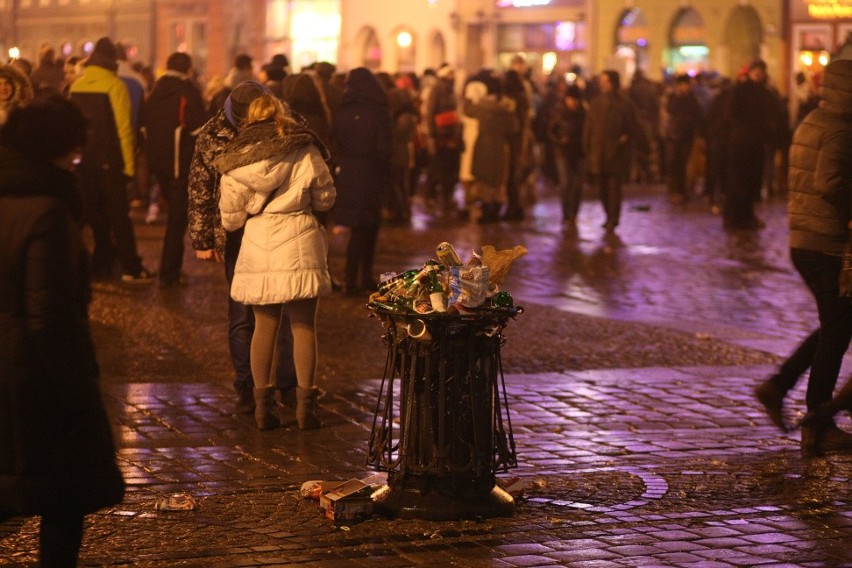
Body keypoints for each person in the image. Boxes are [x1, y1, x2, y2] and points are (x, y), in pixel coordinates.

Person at [0, 96, 125, 567]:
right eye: (74, 152)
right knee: (66, 494)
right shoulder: (47, 211)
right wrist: (78, 391)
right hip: (32, 377)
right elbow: (49, 314)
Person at [215, 94, 335, 430]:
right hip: (300, 237)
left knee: (263, 327)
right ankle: (305, 410)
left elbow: (231, 221)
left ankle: (262, 410)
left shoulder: (236, 158)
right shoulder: (304, 148)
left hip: (260, 242)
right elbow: (326, 198)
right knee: (303, 327)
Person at [753, 58, 852, 457]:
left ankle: (778, 387)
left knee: (837, 322)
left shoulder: (815, 119)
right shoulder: (842, 128)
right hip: (824, 240)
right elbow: (829, 182)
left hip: (805, 238)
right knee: (839, 327)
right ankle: (818, 424)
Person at [188, 80, 299, 416]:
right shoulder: (214, 133)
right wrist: (203, 239)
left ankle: (287, 384)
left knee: (282, 308)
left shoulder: (284, 124)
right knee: (242, 312)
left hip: (278, 228)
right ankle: (246, 385)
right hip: (235, 231)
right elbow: (200, 186)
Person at [69, 36, 154, 282]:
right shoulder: (114, 86)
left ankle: (99, 262)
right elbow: (124, 129)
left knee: (92, 216)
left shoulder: (77, 85)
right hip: (111, 163)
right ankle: (131, 267)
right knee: (119, 217)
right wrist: (128, 166)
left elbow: (73, 126)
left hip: (85, 162)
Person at [139, 52, 207, 288]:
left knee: (174, 220)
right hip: (181, 165)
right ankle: (169, 273)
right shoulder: (187, 93)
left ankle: (170, 270)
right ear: (187, 69)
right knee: (177, 223)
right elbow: (200, 129)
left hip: (158, 165)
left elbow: (143, 125)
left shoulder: (154, 93)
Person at [333, 67, 393, 295]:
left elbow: (336, 140)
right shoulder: (379, 112)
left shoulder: (343, 110)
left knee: (356, 228)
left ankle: (351, 277)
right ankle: (363, 275)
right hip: (371, 172)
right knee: (369, 227)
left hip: (348, 171)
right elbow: (385, 148)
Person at [583, 69, 647, 233]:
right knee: (602, 188)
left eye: (606, 81)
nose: (602, 84)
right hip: (598, 152)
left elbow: (633, 127)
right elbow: (589, 128)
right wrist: (587, 148)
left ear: (613, 83)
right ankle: (608, 215)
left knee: (614, 188)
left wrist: (628, 141)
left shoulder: (624, 104)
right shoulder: (596, 103)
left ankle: (613, 218)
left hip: (617, 152)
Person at [719, 60, 780, 230]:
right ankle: (732, 215)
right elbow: (730, 114)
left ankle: (746, 215)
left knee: (752, 182)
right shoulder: (740, 90)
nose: (758, 74)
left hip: (756, 144)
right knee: (737, 181)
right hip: (740, 144)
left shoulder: (765, 93)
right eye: (756, 70)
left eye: (761, 71)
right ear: (750, 72)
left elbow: (773, 114)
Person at [547, 84, 586, 226]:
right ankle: (566, 213)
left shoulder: (584, 113)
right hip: (562, 152)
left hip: (579, 153)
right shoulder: (559, 111)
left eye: (575, 100)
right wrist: (559, 140)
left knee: (577, 185)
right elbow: (550, 131)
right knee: (565, 183)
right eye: (570, 99)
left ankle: (573, 213)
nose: (573, 103)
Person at [663, 74, 704, 204]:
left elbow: (698, 116)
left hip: (687, 135)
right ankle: (675, 191)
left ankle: (683, 191)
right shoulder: (674, 97)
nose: (682, 87)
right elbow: (671, 110)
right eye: (680, 84)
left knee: (685, 163)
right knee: (674, 163)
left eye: (685, 84)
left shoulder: (692, 99)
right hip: (674, 135)